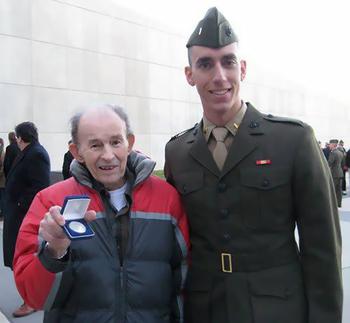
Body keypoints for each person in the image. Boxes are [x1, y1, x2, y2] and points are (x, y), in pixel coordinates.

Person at [164, 7, 342, 323]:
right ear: (190, 75)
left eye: (228, 62)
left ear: (242, 69)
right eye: (205, 64)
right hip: (204, 309)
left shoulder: (293, 141)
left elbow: (323, 250)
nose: (219, 76)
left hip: (277, 309)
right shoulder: (178, 152)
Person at [13, 104, 189, 323]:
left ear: (129, 143)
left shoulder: (167, 198)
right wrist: (54, 252)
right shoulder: (50, 201)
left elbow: (184, 281)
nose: (108, 156)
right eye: (95, 145)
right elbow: (35, 297)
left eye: (116, 142)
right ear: (76, 152)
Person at [2, 121, 50, 317]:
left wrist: (20, 205)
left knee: (25, 257)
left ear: (21, 137)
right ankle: (30, 297)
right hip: (17, 214)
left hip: (24, 217)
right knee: (17, 257)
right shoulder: (29, 151)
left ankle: (31, 300)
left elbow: (39, 186)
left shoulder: (36, 153)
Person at [328, 139, 344, 207]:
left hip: (334, 174)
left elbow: (329, 163)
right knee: (339, 191)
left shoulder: (333, 153)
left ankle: (332, 205)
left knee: (333, 190)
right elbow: (343, 164)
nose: (329, 145)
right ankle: (339, 204)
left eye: (330, 144)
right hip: (340, 173)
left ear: (334, 144)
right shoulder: (340, 152)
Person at [0, 138, 5, 219]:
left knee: (2, 196)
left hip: (2, 179)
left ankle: (2, 213)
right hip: (2, 179)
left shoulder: (3, 153)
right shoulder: (3, 153)